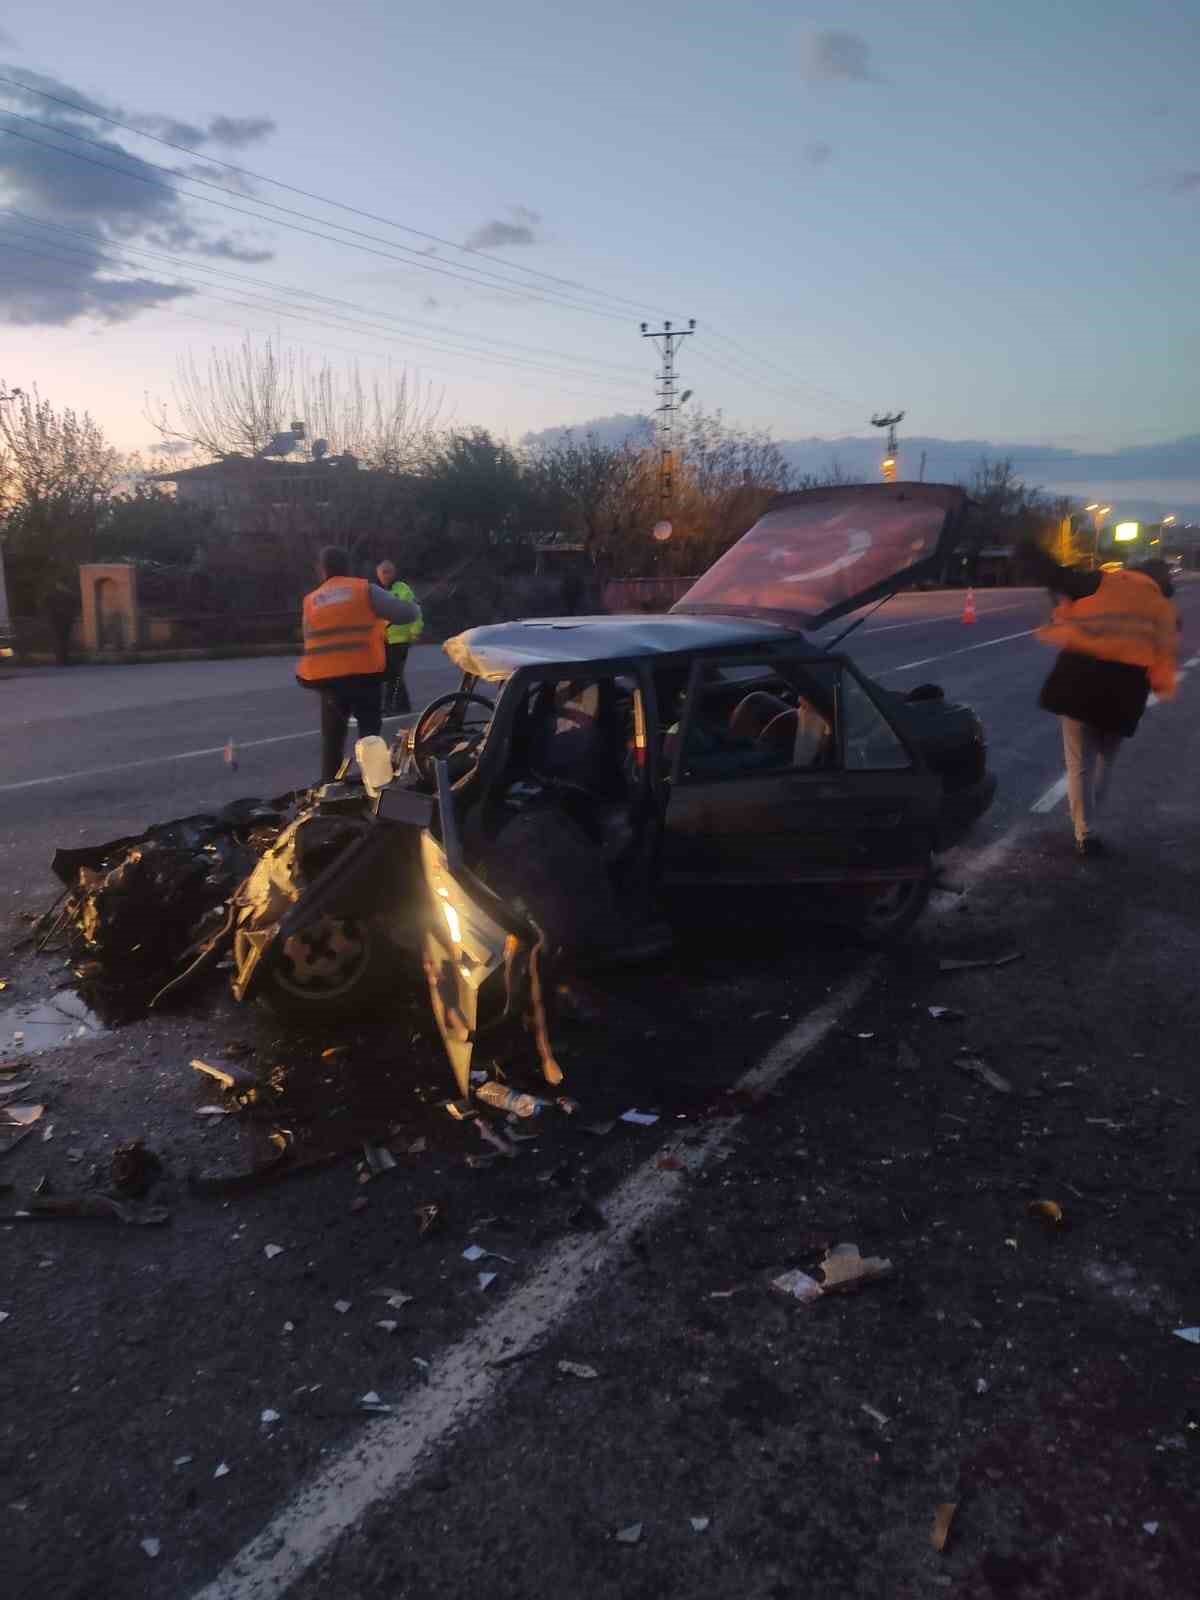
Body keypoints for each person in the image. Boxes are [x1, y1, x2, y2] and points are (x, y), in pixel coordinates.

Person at [1025, 542, 1177, 856]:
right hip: (1123, 698)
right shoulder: (1162, 609)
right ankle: (1088, 825)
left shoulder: (1102, 582)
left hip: (1076, 687)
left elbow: (1060, 578)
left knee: (1079, 763)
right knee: (1105, 762)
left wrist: (1031, 553)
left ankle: (1085, 831)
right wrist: (1160, 688)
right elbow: (1162, 663)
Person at [297, 546, 420, 783]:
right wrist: (412, 605)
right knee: (370, 738)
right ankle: (375, 789)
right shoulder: (365, 591)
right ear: (348, 567)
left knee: (332, 741)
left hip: (328, 680)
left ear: (321, 570)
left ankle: (328, 792)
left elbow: (308, 637)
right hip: (364, 675)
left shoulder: (311, 601)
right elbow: (407, 614)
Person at [375, 559, 424, 715]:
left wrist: (415, 631)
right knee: (389, 675)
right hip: (383, 639)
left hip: (400, 640)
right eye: (383, 572)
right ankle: (400, 705)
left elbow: (416, 611)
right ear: (378, 574)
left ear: (394, 573)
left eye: (388, 572)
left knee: (394, 674)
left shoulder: (403, 589)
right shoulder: (376, 591)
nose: (386, 575)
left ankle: (393, 706)